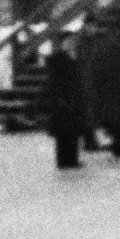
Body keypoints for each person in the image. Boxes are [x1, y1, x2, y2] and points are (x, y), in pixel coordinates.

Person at [80, 19, 120, 160]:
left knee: (114, 122)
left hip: (106, 91)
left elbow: (93, 71)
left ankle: (117, 146)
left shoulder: (99, 48)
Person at [39, 37, 85, 171]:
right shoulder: (60, 60)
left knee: (71, 133)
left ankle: (71, 159)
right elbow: (56, 81)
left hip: (71, 100)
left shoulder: (73, 58)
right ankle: (65, 160)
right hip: (63, 100)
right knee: (64, 133)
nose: (72, 44)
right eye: (68, 42)